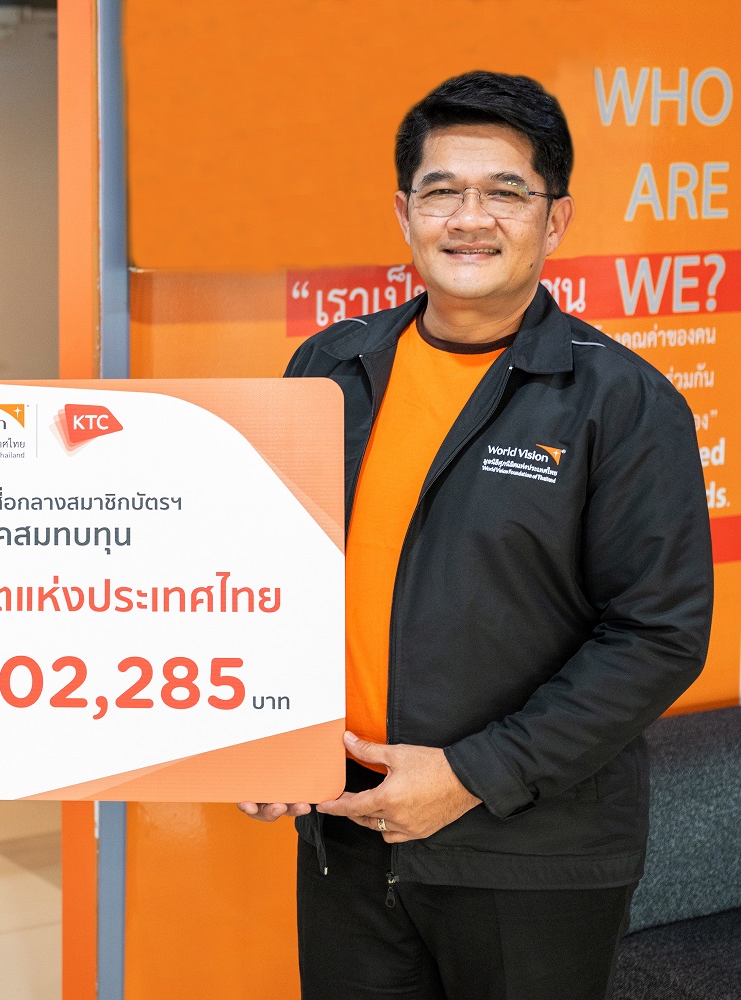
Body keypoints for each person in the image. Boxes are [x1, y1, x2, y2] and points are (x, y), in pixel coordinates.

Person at [238, 71, 713, 999]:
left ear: (556, 218)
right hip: (347, 835)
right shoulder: (329, 365)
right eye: (441, 191)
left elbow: (657, 635)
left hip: (530, 853)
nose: (469, 219)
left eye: (506, 192)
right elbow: (274, 574)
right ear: (403, 212)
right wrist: (264, 733)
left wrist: (469, 775)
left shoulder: (621, 402)